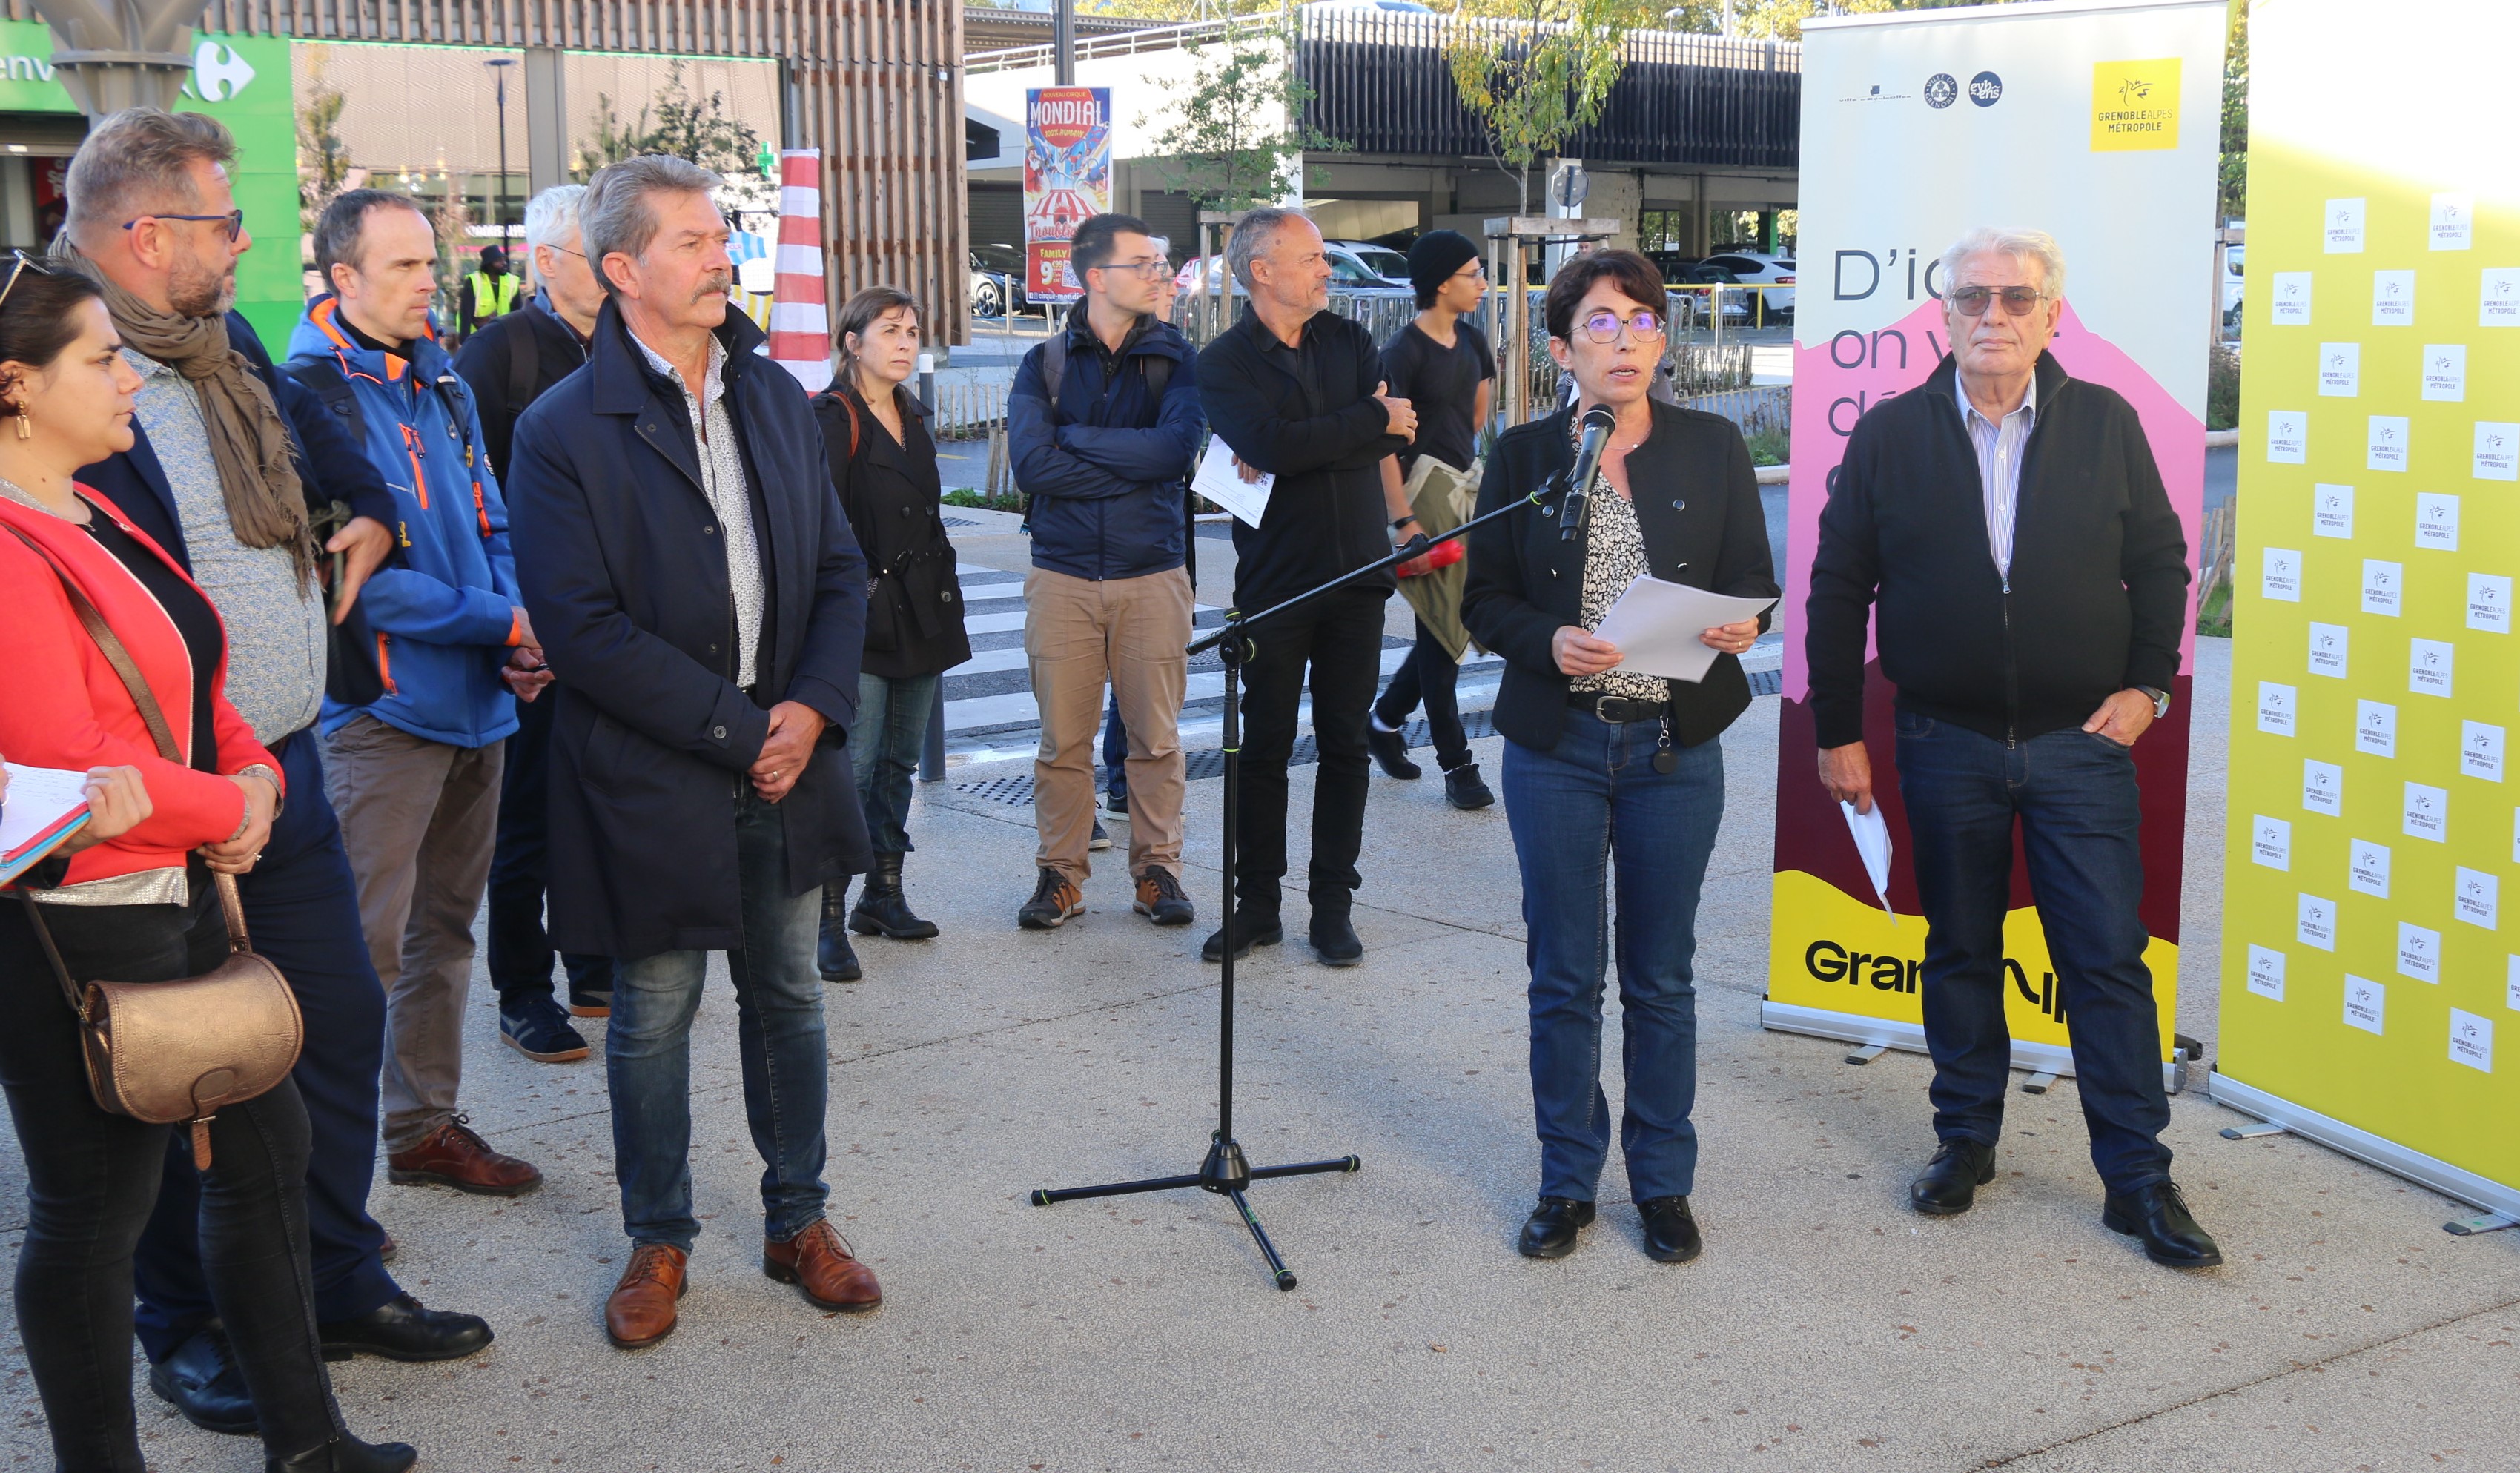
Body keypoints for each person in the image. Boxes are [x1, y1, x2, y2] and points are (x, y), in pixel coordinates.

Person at [53, 108, 490, 1436]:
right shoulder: (54, 351)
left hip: (282, 755)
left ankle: (335, 1274)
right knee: (182, 1073)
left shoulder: (222, 337)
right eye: (219, 222)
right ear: (142, 236)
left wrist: (363, 502)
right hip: (152, 790)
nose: (245, 244)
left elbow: (314, 422)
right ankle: (183, 1322)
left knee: (330, 1029)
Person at [0, 260, 417, 1473]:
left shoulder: (93, 505)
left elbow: (198, 669)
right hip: (75, 924)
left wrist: (256, 783)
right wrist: (226, 803)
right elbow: (68, 759)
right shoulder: (11, 542)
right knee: (95, 1212)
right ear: (13, 388)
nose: (127, 374)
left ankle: (306, 1439)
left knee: (264, 1152)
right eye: (99, 359)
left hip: (176, 885)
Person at [504, 156, 880, 1349]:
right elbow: (582, 629)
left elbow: (833, 569)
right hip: (658, 767)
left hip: (789, 749)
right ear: (622, 270)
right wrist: (741, 730)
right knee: (652, 1011)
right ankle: (657, 1233)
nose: (722, 255)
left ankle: (798, 1218)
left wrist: (811, 709)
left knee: (788, 996)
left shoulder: (775, 397)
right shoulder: (561, 428)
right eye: (692, 240)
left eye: (723, 235)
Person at [1805, 227, 2212, 1268]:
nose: (1993, 314)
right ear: (1942, 313)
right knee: (1957, 951)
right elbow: (1837, 582)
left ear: (2049, 315)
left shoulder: (2105, 422)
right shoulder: (1891, 433)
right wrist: (1836, 728)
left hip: (2079, 744)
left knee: (2105, 963)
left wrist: (2142, 687)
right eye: (1972, 296)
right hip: (1941, 739)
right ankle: (1963, 1142)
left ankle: (2136, 1178)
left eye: (2015, 297)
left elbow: (2160, 561)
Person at [1461, 250, 1773, 1264]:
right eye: (1600, 322)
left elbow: (1752, 584)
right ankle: (1565, 1182)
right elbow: (1482, 601)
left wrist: (1741, 624)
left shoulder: (1712, 444)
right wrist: (1543, 639)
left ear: (1660, 340)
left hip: (1674, 746)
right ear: (1560, 349)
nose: (1625, 338)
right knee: (1563, 974)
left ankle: (1662, 1183)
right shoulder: (1521, 455)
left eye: (1640, 320)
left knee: (1661, 977)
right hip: (1558, 743)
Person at [286, 189, 546, 1199]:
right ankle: (329, 1188)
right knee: (360, 959)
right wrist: (502, 624)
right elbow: (359, 579)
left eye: (428, 261)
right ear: (342, 279)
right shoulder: (308, 396)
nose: (427, 280)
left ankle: (423, 1127)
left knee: (445, 936)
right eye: (401, 266)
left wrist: (518, 621)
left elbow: (493, 520)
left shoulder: (442, 379)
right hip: (383, 719)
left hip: (481, 703)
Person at [1194, 207, 1416, 967]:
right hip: (1277, 583)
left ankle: (1332, 907)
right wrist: (1362, 421)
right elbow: (1270, 444)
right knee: (1263, 746)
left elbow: (1387, 434)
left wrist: (1315, 438)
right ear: (1264, 270)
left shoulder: (1350, 340)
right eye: (1315, 256)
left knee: (1346, 743)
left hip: (1357, 575)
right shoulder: (1222, 363)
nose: (1328, 268)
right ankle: (1257, 906)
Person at [454, 183, 616, 1058]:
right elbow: (469, 496)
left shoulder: (637, 344)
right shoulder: (500, 353)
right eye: (599, 251)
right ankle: (524, 989)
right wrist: (515, 621)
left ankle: (594, 962)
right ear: (548, 262)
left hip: (620, 623)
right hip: (534, 626)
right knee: (525, 819)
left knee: (600, 806)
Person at [1008, 212, 1203, 932]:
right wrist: (1124, 459)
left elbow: (1174, 454)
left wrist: (1076, 443)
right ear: (1096, 277)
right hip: (1060, 575)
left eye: (1162, 262)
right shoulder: (1045, 364)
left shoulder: (1178, 358)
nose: (1162, 274)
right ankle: (1059, 875)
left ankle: (1159, 870)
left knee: (1155, 738)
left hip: (1151, 573)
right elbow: (1032, 465)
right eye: (1145, 263)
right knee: (1063, 741)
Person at [808, 286, 971, 981]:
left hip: (924, 609)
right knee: (855, 764)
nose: (906, 342)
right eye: (889, 331)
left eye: (911, 331)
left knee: (899, 762)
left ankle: (884, 893)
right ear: (852, 342)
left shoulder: (911, 412)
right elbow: (817, 526)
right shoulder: (829, 416)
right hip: (864, 615)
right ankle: (825, 914)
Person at [1367, 229, 1496, 810]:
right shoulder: (1401, 352)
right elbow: (1383, 443)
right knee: (1442, 630)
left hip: (1462, 493)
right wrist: (1403, 521)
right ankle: (1457, 763)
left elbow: (1474, 417)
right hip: (1419, 500)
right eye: (1472, 273)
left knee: (1450, 624)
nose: (1482, 283)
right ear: (1442, 282)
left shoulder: (1473, 339)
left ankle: (1386, 720)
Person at [459, 242, 521, 342]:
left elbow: (518, 313)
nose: (504, 263)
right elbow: (465, 313)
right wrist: (465, 342)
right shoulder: (474, 280)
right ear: (488, 265)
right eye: (499, 260)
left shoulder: (512, 281)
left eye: (504, 259)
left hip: (503, 337)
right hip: (478, 338)